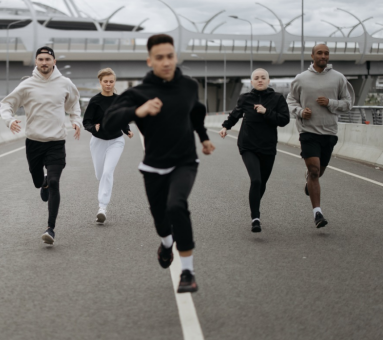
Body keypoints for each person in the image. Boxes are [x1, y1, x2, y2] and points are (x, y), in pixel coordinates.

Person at [103, 34, 215, 293]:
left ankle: (187, 271)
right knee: (161, 221)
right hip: (153, 165)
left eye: (170, 56)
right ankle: (166, 245)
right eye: (160, 58)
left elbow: (196, 112)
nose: (166, 62)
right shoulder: (138, 93)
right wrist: (137, 112)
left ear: (176, 57)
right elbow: (110, 120)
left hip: (185, 161)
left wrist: (205, 138)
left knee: (177, 205)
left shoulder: (189, 86)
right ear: (150, 61)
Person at [0, 46, 82, 245]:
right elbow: (6, 104)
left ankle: (50, 228)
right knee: (39, 182)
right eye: (40, 59)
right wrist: (9, 120)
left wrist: (76, 121)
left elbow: (74, 103)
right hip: (34, 142)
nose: (44, 62)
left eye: (48, 59)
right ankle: (42, 183)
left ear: (54, 62)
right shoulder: (27, 85)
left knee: (55, 182)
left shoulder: (65, 83)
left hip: (56, 142)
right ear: (36, 62)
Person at [286, 44, 352, 228]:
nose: (323, 56)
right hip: (308, 132)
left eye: (326, 53)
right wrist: (300, 112)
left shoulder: (338, 78)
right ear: (312, 55)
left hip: (329, 132)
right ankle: (318, 214)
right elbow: (290, 100)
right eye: (320, 53)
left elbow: (348, 103)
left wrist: (330, 102)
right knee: (314, 170)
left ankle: (310, 181)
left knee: (318, 172)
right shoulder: (301, 79)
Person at [219, 68, 290, 232]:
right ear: (251, 82)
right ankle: (255, 218)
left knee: (262, 183)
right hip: (248, 145)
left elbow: (284, 120)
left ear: (268, 80)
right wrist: (225, 127)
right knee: (256, 180)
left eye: (263, 77)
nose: (260, 80)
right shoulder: (245, 98)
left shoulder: (277, 98)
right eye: (256, 78)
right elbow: (235, 114)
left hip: (268, 146)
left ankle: (254, 205)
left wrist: (267, 112)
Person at [83, 68, 134, 225]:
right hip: (98, 142)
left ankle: (102, 208)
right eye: (105, 81)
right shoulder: (95, 101)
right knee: (100, 174)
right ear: (100, 82)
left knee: (107, 172)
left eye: (111, 81)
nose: (108, 84)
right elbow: (86, 122)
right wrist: (93, 128)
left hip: (116, 141)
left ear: (114, 82)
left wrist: (127, 130)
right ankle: (103, 193)